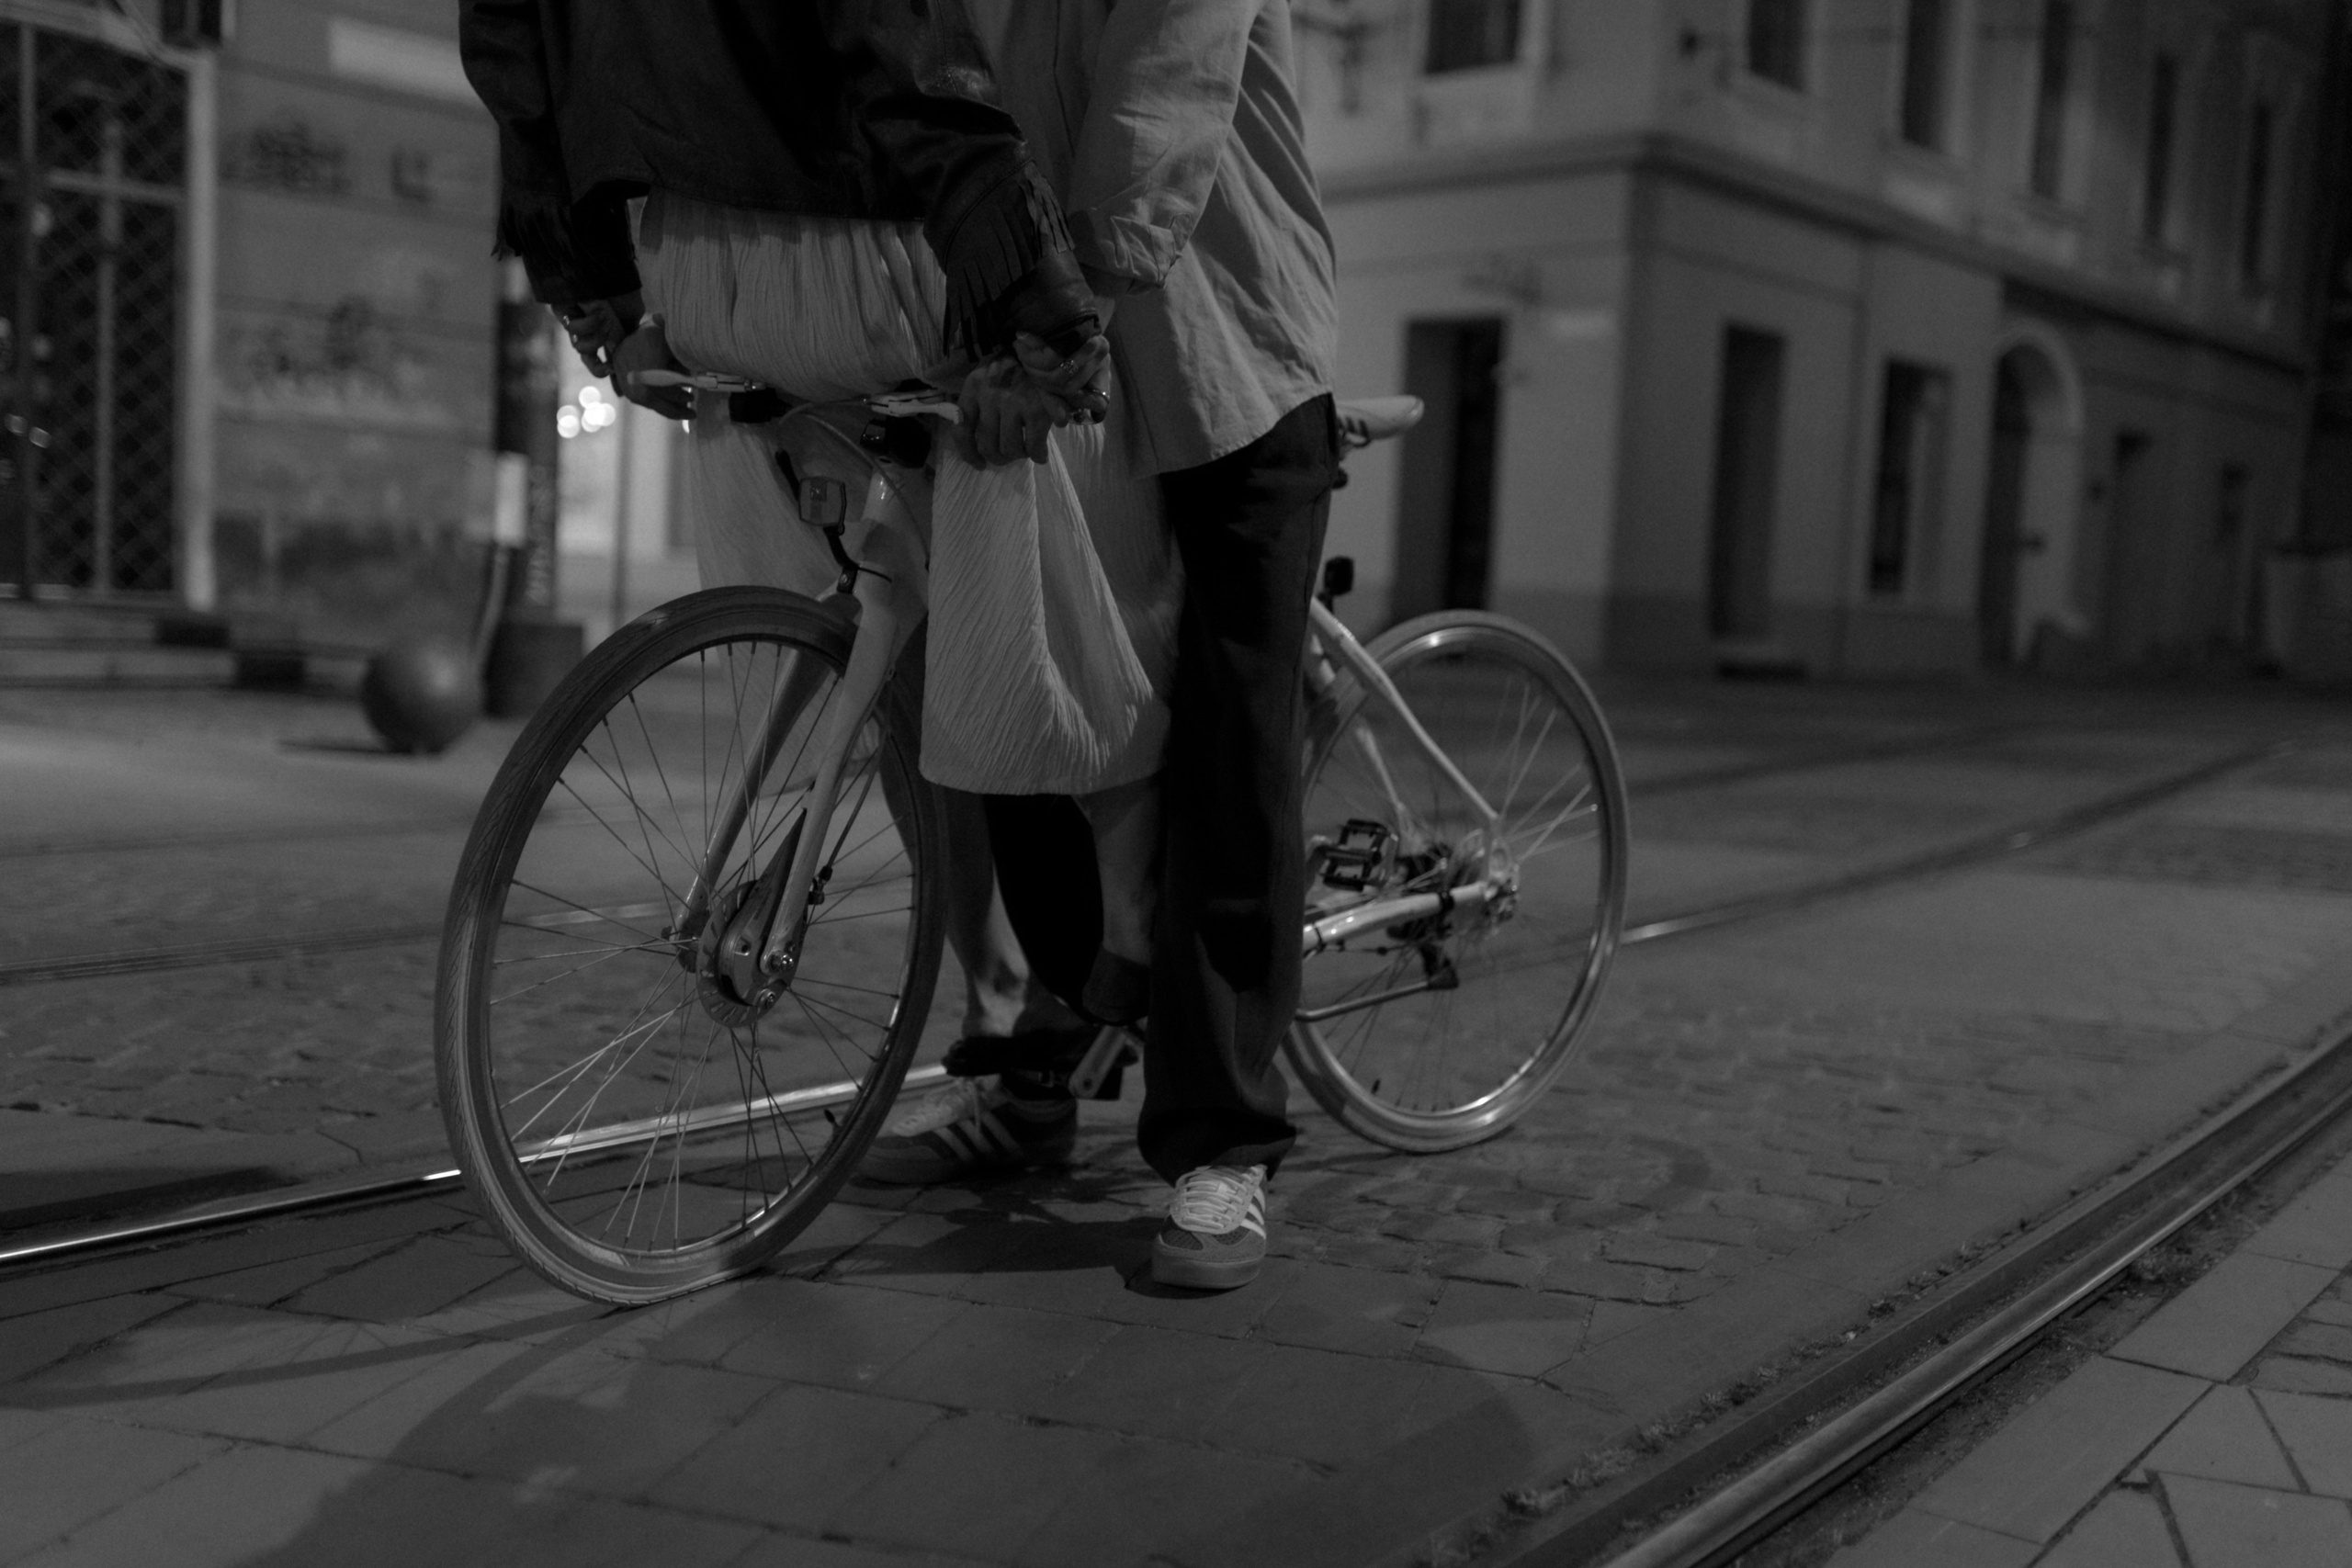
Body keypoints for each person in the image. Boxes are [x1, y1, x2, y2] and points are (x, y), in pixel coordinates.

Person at [458, 1, 1176, 1089]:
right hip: (865, 273)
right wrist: (1042, 309)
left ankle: (986, 979)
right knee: (1058, 578)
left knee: (873, 617)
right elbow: (910, 71)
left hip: (696, 282)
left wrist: (594, 297)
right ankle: (1132, 933)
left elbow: (516, 76)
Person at [859, 0, 1340, 1294]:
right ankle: (1037, 1084)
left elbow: (1153, 110)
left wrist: (1052, 319)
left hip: (1223, 362)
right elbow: (943, 117)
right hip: (1044, 370)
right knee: (1032, 719)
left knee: (1228, 758)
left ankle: (1221, 1144)